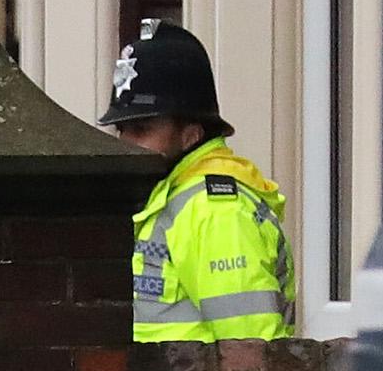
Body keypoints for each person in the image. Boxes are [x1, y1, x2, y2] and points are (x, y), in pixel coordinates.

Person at [102, 19, 297, 342]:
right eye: (121, 130)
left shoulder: (215, 210)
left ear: (191, 134)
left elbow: (252, 355)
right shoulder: (171, 196)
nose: (126, 143)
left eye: (142, 130)